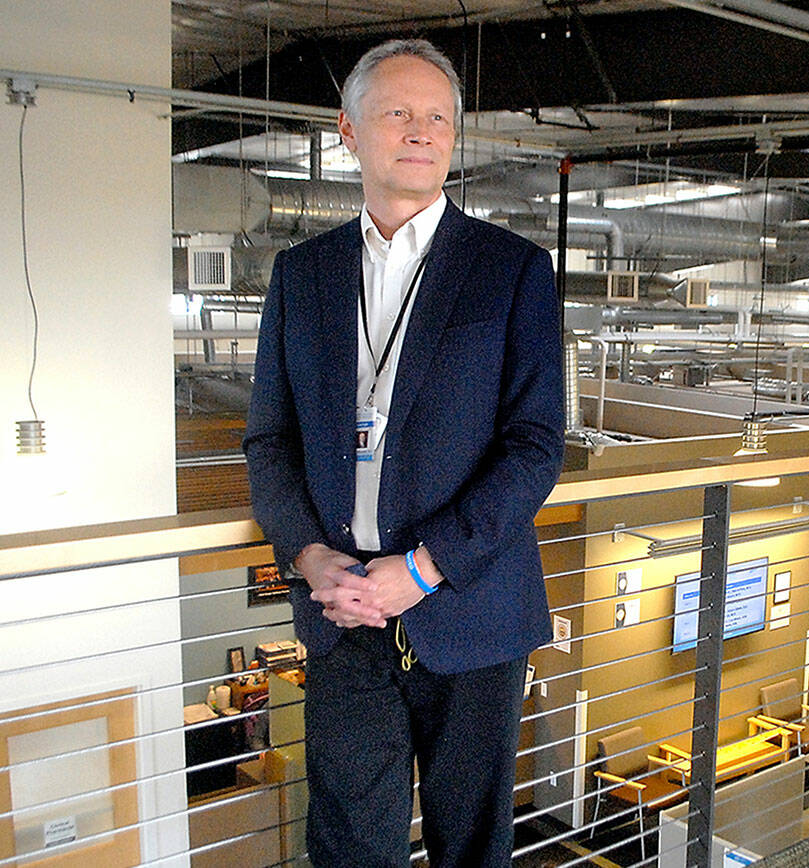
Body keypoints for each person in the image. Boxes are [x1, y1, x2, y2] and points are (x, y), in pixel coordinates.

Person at [243, 38, 563, 867]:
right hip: (341, 610)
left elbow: (534, 449)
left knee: (471, 845)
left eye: (437, 118)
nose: (420, 131)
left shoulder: (513, 271)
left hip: (470, 607)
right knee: (350, 845)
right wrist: (309, 557)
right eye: (398, 113)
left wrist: (421, 569)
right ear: (348, 131)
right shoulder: (301, 274)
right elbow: (267, 440)